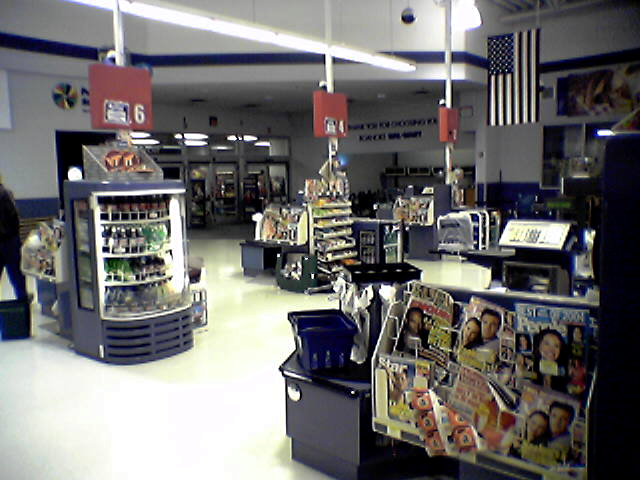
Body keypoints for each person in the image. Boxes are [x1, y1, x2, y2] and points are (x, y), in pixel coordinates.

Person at [0, 175, 27, 300]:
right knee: (18, 281)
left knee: (18, 280)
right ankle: (22, 311)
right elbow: (15, 219)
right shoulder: (7, 194)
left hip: (7, 242)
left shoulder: (4, 195)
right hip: (11, 242)